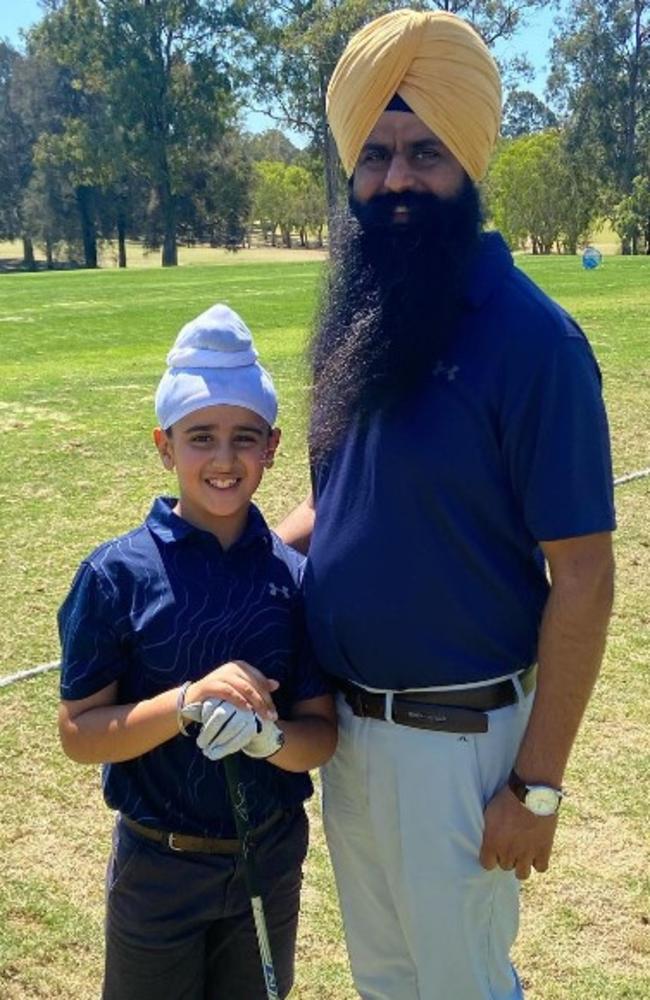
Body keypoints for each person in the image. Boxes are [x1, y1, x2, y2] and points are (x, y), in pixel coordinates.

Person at [277, 9, 616, 1000]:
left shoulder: (529, 342)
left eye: (423, 152)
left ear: (468, 161)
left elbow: (584, 575)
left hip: (458, 755)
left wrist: (535, 784)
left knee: (460, 984)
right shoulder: (368, 321)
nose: (393, 180)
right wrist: (235, 558)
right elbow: (335, 501)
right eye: (375, 154)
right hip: (346, 732)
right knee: (385, 979)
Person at [57, 302, 337, 1000]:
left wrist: (267, 738)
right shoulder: (115, 575)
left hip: (267, 859)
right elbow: (79, 734)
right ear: (164, 444)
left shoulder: (294, 579)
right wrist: (186, 703)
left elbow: (321, 736)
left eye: (245, 439)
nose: (223, 459)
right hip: (158, 868)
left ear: (271, 448)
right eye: (200, 437)